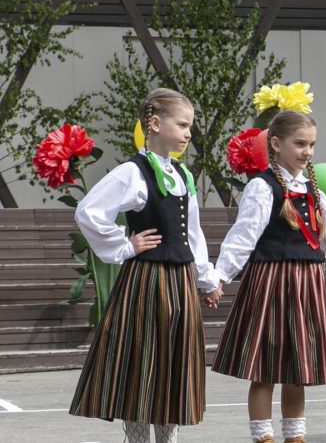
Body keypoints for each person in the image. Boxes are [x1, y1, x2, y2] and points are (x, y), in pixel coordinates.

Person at [212, 110, 326, 443]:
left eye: (312, 145)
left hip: (307, 285)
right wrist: (220, 277)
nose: (307, 151)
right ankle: (263, 437)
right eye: (300, 144)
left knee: (298, 369)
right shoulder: (262, 187)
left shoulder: (316, 192)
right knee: (265, 368)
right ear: (275, 144)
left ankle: (295, 437)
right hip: (271, 282)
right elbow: (243, 236)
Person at [69, 88, 221, 443]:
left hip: (180, 283)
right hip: (147, 282)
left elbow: (192, 233)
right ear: (154, 123)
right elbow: (88, 212)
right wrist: (125, 245)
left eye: (190, 126)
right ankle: (137, 439)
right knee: (143, 363)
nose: (188, 133)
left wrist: (206, 279)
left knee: (172, 367)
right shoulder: (132, 172)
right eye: (182, 125)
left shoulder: (181, 175)